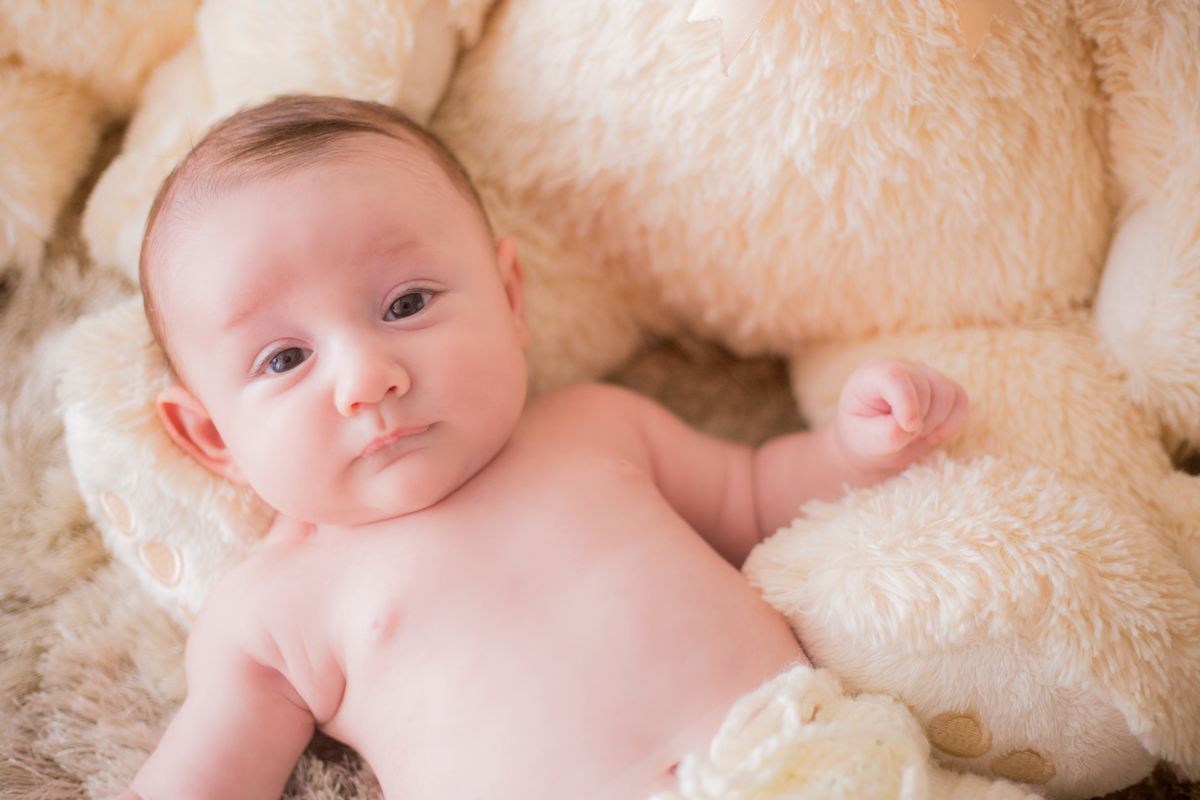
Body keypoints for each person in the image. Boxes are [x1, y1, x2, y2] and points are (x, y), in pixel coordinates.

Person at [120, 95, 968, 800]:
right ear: (210, 435)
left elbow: (754, 496)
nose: (367, 377)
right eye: (285, 359)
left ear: (509, 297)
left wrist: (857, 450)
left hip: (808, 766)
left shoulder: (597, 427)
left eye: (407, 303)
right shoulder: (272, 613)